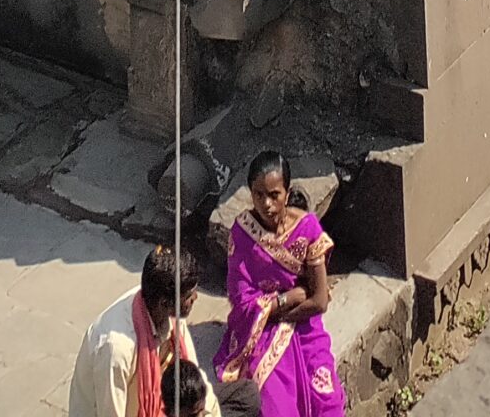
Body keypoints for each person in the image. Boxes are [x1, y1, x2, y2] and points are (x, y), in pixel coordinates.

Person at [216, 150, 341, 417]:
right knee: (275, 403)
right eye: (258, 195)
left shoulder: (307, 229)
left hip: (305, 324)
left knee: (326, 397)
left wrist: (283, 313)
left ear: (287, 192)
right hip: (260, 330)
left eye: (274, 195)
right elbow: (240, 298)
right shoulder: (242, 232)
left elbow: (319, 301)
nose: (267, 204)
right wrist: (286, 300)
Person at [69, 246, 201, 417]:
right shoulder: (116, 349)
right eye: (189, 294)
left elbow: (194, 378)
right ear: (165, 303)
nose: (195, 297)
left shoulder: (166, 310)